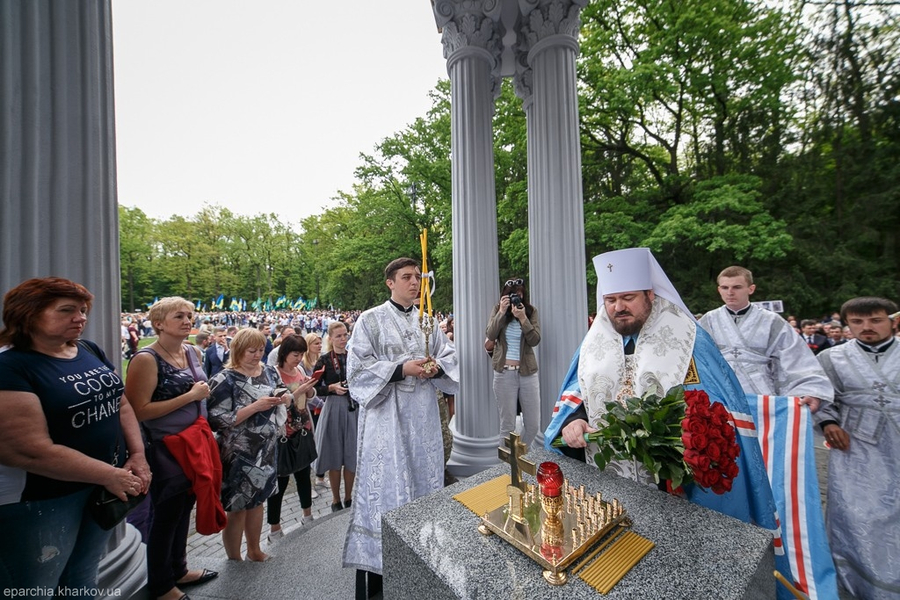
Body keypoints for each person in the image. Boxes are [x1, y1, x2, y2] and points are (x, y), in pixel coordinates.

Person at [543, 249, 797, 592]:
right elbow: (579, 390)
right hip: (605, 474)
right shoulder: (594, 340)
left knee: (671, 574)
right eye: (612, 299)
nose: (619, 307)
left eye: (628, 297)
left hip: (672, 486)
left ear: (650, 294)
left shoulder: (687, 338)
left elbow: (710, 405)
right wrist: (574, 419)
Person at [0, 277, 149, 597]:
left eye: (83, 310)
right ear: (27, 314)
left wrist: (137, 454)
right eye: (67, 310)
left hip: (101, 487)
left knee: (81, 576)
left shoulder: (87, 349)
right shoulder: (9, 366)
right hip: (42, 499)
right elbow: (27, 452)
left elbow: (120, 402)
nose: (81, 317)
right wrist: (111, 475)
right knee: (32, 588)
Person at [342, 257, 459, 600]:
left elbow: (449, 356)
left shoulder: (428, 321)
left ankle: (422, 570)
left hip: (423, 419)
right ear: (390, 283)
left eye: (418, 278)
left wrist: (436, 367)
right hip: (387, 421)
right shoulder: (371, 320)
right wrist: (401, 368)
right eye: (407, 277)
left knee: (425, 485)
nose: (415, 283)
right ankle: (378, 583)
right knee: (388, 490)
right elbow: (357, 371)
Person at [126, 297, 220, 600]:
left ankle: (179, 568)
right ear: (159, 323)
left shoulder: (193, 351)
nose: (187, 320)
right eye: (179, 316)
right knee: (166, 514)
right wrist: (190, 396)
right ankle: (162, 584)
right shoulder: (146, 359)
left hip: (196, 443)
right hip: (165, 448)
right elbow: (138, 409)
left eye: (190, 315)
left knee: (185, 509)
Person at [816, 297, 900, 599]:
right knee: (856, 515)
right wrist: (828, 423)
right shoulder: (831, 358)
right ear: (847, 323)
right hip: (856, 449)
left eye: (875, 320)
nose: (866, 327)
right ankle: (856, 584)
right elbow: (822, 396)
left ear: (893, 321)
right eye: (857, 322)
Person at [207, 328, 290, 562]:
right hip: (238, 454)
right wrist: (255, 407)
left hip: (266, 450)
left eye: (261, 350)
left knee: (258, 502)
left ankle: (255, 549)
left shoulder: (270, 371)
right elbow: (215, 419)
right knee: (237, 508)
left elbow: (280, 391)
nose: (257, 355)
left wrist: (282, 397)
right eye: (251, 351)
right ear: (238, 351)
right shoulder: (224, 379)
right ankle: (234, 559)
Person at [699, 266, 833, 404]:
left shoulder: (772, 321)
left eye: (737, 287)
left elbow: (795, 357)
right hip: (720, 395)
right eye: (725, 287)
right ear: (719, 289)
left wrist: (807, 390)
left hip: (763, 397)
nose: (730, 292)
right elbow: (698, 358)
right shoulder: (708, 320)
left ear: (751, 289)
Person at [266, 334, 317, 540]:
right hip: (283, 434)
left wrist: (310, 388)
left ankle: (308, 515)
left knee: (304, 476)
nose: (298, 358)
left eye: (301, 354)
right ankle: (274, 528)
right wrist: (297, 393)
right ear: (284, 353)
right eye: (295, 354)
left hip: (302, 429)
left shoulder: (299, 370)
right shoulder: (273, 373)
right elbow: (274, 402)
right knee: (280, 482)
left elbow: (310, 397)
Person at [485, 277, 541, 448]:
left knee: (532, 425)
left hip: (527, 373)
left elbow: (535, 340)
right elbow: (491, 334)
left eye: (519, 295)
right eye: (512, 296)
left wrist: (523, 319)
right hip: (504, 374)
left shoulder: (530, 312)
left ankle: (518, 457)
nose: (516, 299)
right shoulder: (498, 310)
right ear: (504, 297)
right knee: (507, 426)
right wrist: (502, 312)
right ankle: (507, 467)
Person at [313, 321, 357, 513]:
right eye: (338, 336)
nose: (342, 339)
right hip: (332, 408)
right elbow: (313, 388)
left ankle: (349, 496)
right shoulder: (324, 360)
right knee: (334, 453)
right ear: (330, 339)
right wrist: (331, 388)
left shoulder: (354, 358)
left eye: (345, 335)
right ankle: (335, 498)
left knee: (351, 454)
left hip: (353, 407)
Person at [301, 332, 328, 491]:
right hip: (312, 408)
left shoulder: (321, 360)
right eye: (316, 343)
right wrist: (320, 403)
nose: (319, 346)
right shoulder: (303, 365)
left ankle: (320, 476)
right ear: (308, 346)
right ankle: (311, 481)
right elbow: (306, 388)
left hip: (322, 403)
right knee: (313, 443)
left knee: (322, 442)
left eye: (320, 343)